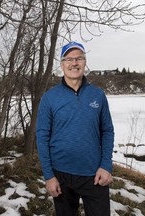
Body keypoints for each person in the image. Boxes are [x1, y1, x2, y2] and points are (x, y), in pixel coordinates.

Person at [36, 41, 114, 216]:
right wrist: (49, 176)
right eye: (69, 59)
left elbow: (107, 131)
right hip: (61, 175)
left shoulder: (98, 95)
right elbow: (42, 137)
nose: (74, 63)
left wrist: (106, 166)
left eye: (79, 58)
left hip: (94, 175)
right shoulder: (50, 98)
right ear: (62, 64)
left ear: (85, 63)